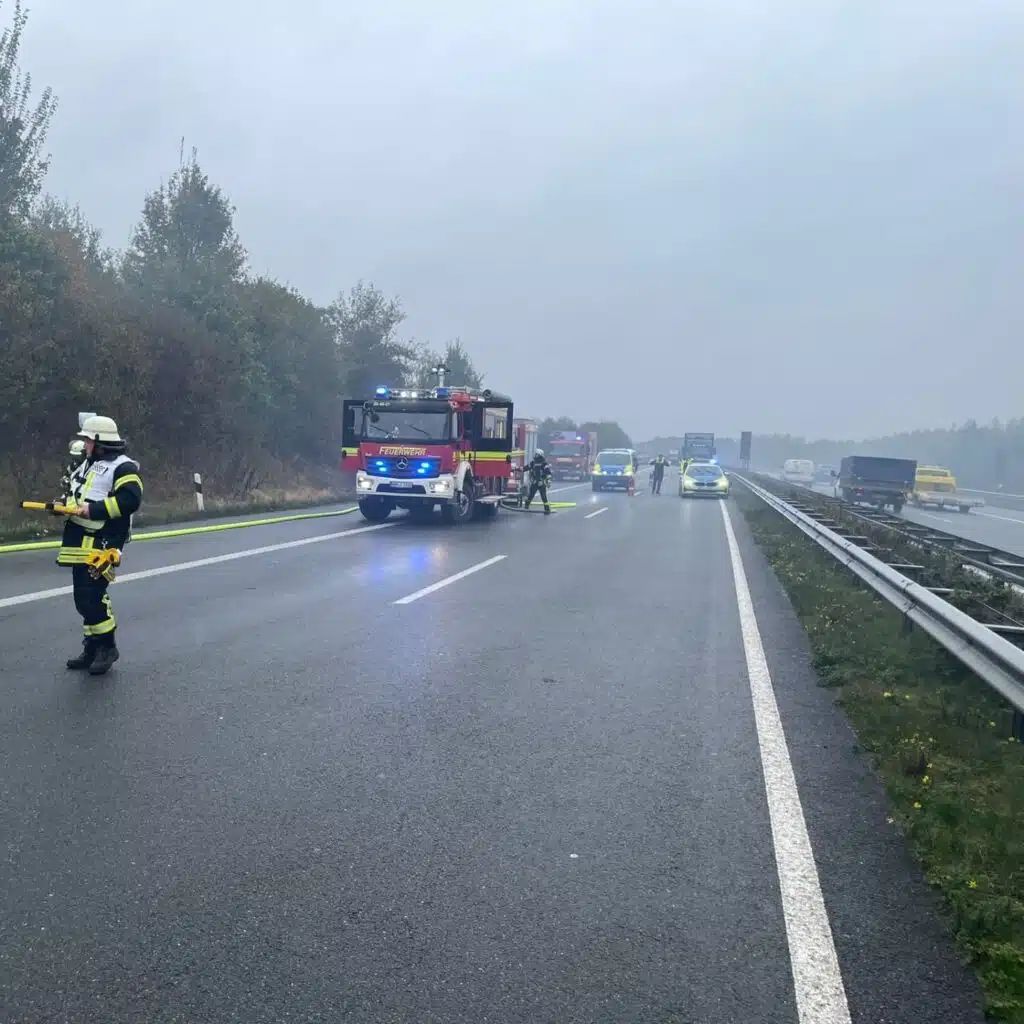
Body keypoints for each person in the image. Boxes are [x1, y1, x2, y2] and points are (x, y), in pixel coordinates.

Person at [59, 415, 143, 675]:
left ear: (98, 441)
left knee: (92, 596)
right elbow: (78, 492)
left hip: (104, 539)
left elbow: (130, 500)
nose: (84, 445)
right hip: (79, 537)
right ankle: (92, 647)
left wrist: (92, 510)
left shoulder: (123, 467)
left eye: (87, 440)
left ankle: (108, 647)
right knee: (82, 598)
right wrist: (63, 506)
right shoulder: (88, 463)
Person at [525, 448, 553, 515]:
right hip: (535, 482)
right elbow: (526, 468)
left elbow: (548, 473)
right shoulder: (533, 463)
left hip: (541, 482)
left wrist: (548, 482)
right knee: (530, 496)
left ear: (539, 455)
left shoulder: (544, 464)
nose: (535, 455)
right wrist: (517, 469)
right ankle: (526, 507)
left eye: (536, 454)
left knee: (543, 497)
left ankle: (547, 510)